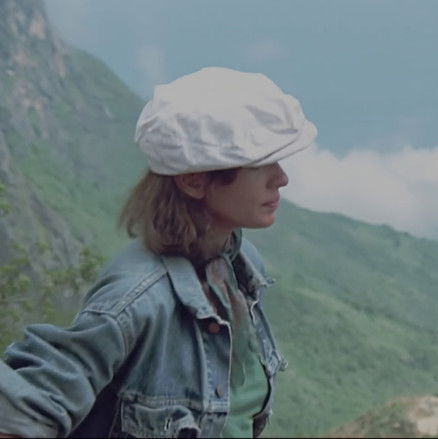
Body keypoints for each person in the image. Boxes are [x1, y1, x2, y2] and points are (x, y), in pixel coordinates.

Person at [0, 66, 317, 437]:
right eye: (260, 163)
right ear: (194, 181)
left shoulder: (241, 264)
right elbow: (22, 411)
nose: (281, 178)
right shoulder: (135, 300)